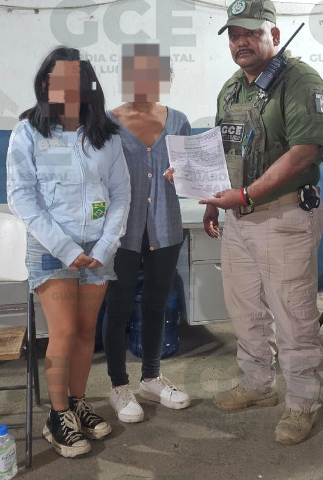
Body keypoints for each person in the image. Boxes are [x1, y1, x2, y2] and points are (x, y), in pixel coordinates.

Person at [199, 0, 323, 445]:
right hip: (238, 218)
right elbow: (225, 149)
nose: (241, 42)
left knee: (293, 314)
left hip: (284, 215)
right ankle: (257, 384)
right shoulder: (231, 88)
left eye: (251, 33)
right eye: (234, 35)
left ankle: (303, 402)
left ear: (274, 33)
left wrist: (247, 194)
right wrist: (215, 200)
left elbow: (304, 152)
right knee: (245, 309)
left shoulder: (300, 81)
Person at [6, 46, 131, 457]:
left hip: (97, 250)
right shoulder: (29, 132)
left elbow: (120, 194)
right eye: (55, 79)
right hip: (51, 248)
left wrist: (106, 244)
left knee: (84, 332)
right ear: (45, 84)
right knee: (62, 331)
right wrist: (64, 247)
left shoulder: (106, 135)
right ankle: (57, 416)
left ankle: (77, 403)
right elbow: (22, 196)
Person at [104, 43, 191, 423]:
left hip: (165, 225)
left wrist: (182, 176)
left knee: (156, 302)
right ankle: (118, 386)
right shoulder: (106, 123)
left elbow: (190, 173)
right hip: (121, 230)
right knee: (119, 306)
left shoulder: (179, 121)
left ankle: (151, 378)